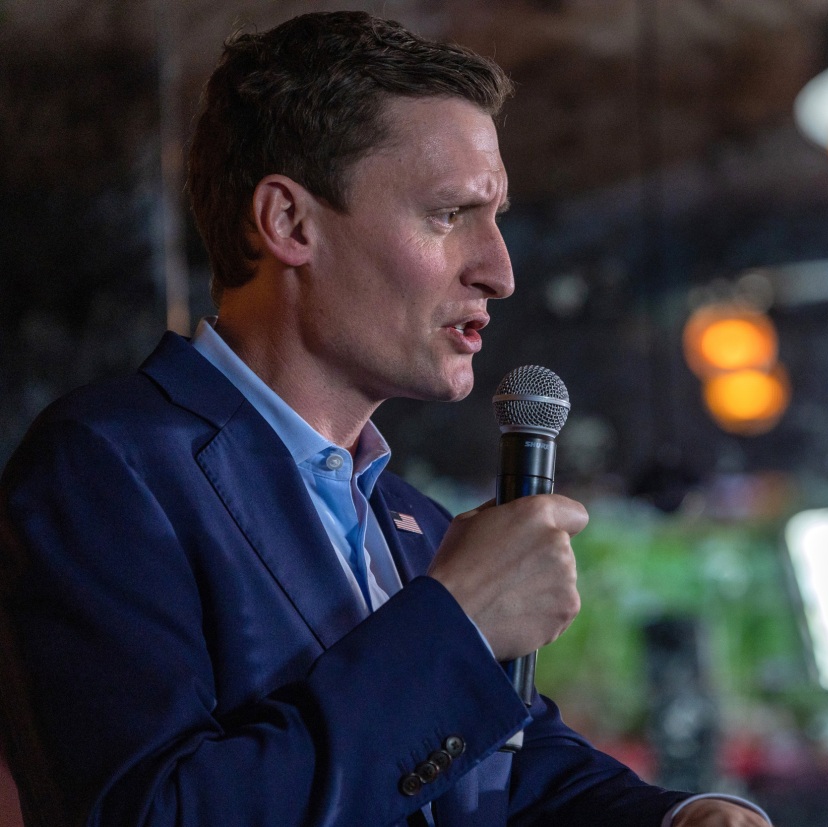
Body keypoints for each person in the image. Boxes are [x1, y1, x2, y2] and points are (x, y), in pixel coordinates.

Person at [0, 10, 770, 827]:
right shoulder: (106, 467)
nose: (500, 270)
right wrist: (456, 624)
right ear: (290, 223)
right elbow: (160, 813)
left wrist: (683, 817)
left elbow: (512, 775)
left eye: (497, 217)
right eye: (449, 214)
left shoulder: (416, 524)